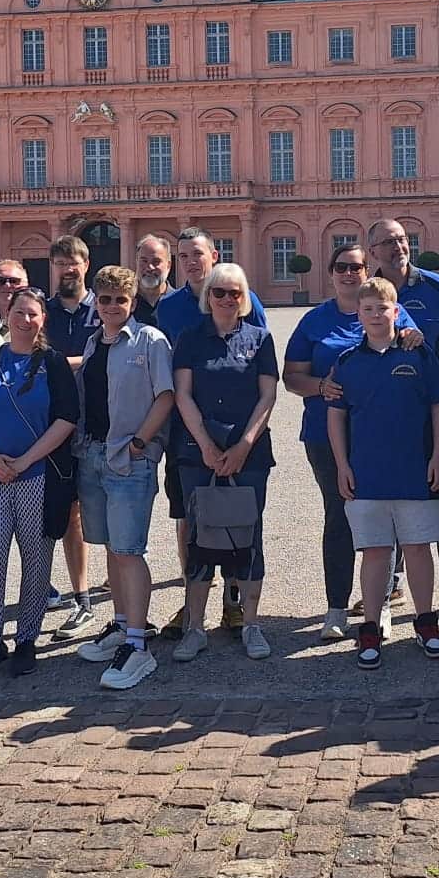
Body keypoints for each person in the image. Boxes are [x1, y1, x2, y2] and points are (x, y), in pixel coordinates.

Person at [285, 244, 418, 641]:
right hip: (326, 434)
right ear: (331, 273)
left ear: (366, 271)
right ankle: (337, 608)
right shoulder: (315, 320)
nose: (349, 273)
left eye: (356, 267)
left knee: (385, 518)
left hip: (382, 434)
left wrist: (413, 334)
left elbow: (412, 339)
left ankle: (382, 607)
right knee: (339, 517)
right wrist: (321, 386)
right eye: (341, 267)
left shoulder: (387, 308)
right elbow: (292, 376)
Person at [326, 278, 439, 669]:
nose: (376, 315)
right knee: (375, 552)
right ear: (358, 315)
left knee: (418, 548)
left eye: (383, 308)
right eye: (368, 309)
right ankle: (370, 626)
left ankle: (425, 621)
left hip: (416, 469)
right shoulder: (348, 361)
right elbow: (336, 417)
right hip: (367, 474)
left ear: (396, 311)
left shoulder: (420, 354)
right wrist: (342, 466)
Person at [0, 287, 79, 687]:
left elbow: (66, 418)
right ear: (5, 315)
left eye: (34, 314)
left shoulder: (54, 363)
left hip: (38, 476)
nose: (26, 320)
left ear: (43, 320)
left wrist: (26, 460)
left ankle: (27, 638)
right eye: (19, 312)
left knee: (36, 561)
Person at [153, 228, 267, 637]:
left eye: (197, 254)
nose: (190, 261)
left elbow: (259, 366)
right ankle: (192, 604)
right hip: (185, 431)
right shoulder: (169, 308)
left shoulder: (244, 297)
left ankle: (234, 602)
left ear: (213, 255)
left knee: (238, 515)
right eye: (182, 256)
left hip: (236, 431)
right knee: (188, 517)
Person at [170, 263, 279, 663]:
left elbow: (267, 396)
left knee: (248, 536)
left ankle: (250, 623)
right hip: (197, 453)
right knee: (200, 538)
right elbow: (183, 395)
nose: (228, 299)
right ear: (208, 297)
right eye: (220, 292)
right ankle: (195, 627)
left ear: (246, 297)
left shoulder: (260, 338)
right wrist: (207, 447)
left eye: (236, 293)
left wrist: (243, 447)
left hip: (248, 454)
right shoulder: (190, 338)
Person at [73, 265, 175, 690]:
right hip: (94, 454)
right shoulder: (94, 342)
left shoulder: (150, 341)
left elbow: (165, 395)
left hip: (128, 458)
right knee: (113, 548)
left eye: (121, 299)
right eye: (105, 298)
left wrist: (140, 443)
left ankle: (138, 645)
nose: (112, 306)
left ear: (132, 303)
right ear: (96, 302)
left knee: (130, 549)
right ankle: (120, 623)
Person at [366, 218, 439, 620]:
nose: (398, 247)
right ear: (373, 250)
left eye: (402, 240)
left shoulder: (434, 286)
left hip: (433, 410)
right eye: (388, 242)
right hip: (388, 415)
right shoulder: (370, 290)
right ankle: (392, 585)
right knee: (389, 497)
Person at [44, 234, 104, 634]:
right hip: (50, 425)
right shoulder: (42, 311)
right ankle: (79, 594)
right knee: (66, 514)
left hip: (98, 421)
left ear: (86, 265)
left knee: (105, 510)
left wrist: (59, 362)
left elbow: (108, 351)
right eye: (61, 262)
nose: (68, 269)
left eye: (74, 262)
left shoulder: (102, 307)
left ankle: (111, 589)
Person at [132, 234, 173, 326]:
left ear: (168, 265)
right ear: (136, 262)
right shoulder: (124, 302)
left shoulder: (180, 302)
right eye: (144, 261)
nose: (149, 267)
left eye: (156, 262)